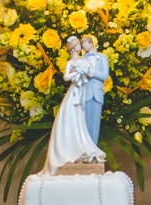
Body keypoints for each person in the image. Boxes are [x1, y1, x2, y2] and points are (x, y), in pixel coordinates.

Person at [42, 36, 105, 173]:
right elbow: (66, 77)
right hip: (77, 92)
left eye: (82, 44)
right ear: (73, 48)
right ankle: (73, 149)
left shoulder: (87, 59)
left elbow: (101, 74)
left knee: (82, 122)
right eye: (79, 44)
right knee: (73, 119)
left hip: (84, 91)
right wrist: (77, 72)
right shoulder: (71, 62)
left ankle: (86, 150)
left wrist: (86, 72)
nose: (81, 46)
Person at [80, 35, 109, 144]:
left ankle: (93, 148)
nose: (84, 49)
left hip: (97, 94)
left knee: (95, 122)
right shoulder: (82, 59)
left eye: (85, 46)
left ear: (91, 43)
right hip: (85, 93)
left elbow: (105, 75)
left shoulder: (102, 58)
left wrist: (92, 73)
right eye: (83, 47)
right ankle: (85, 148)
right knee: (85, 123)